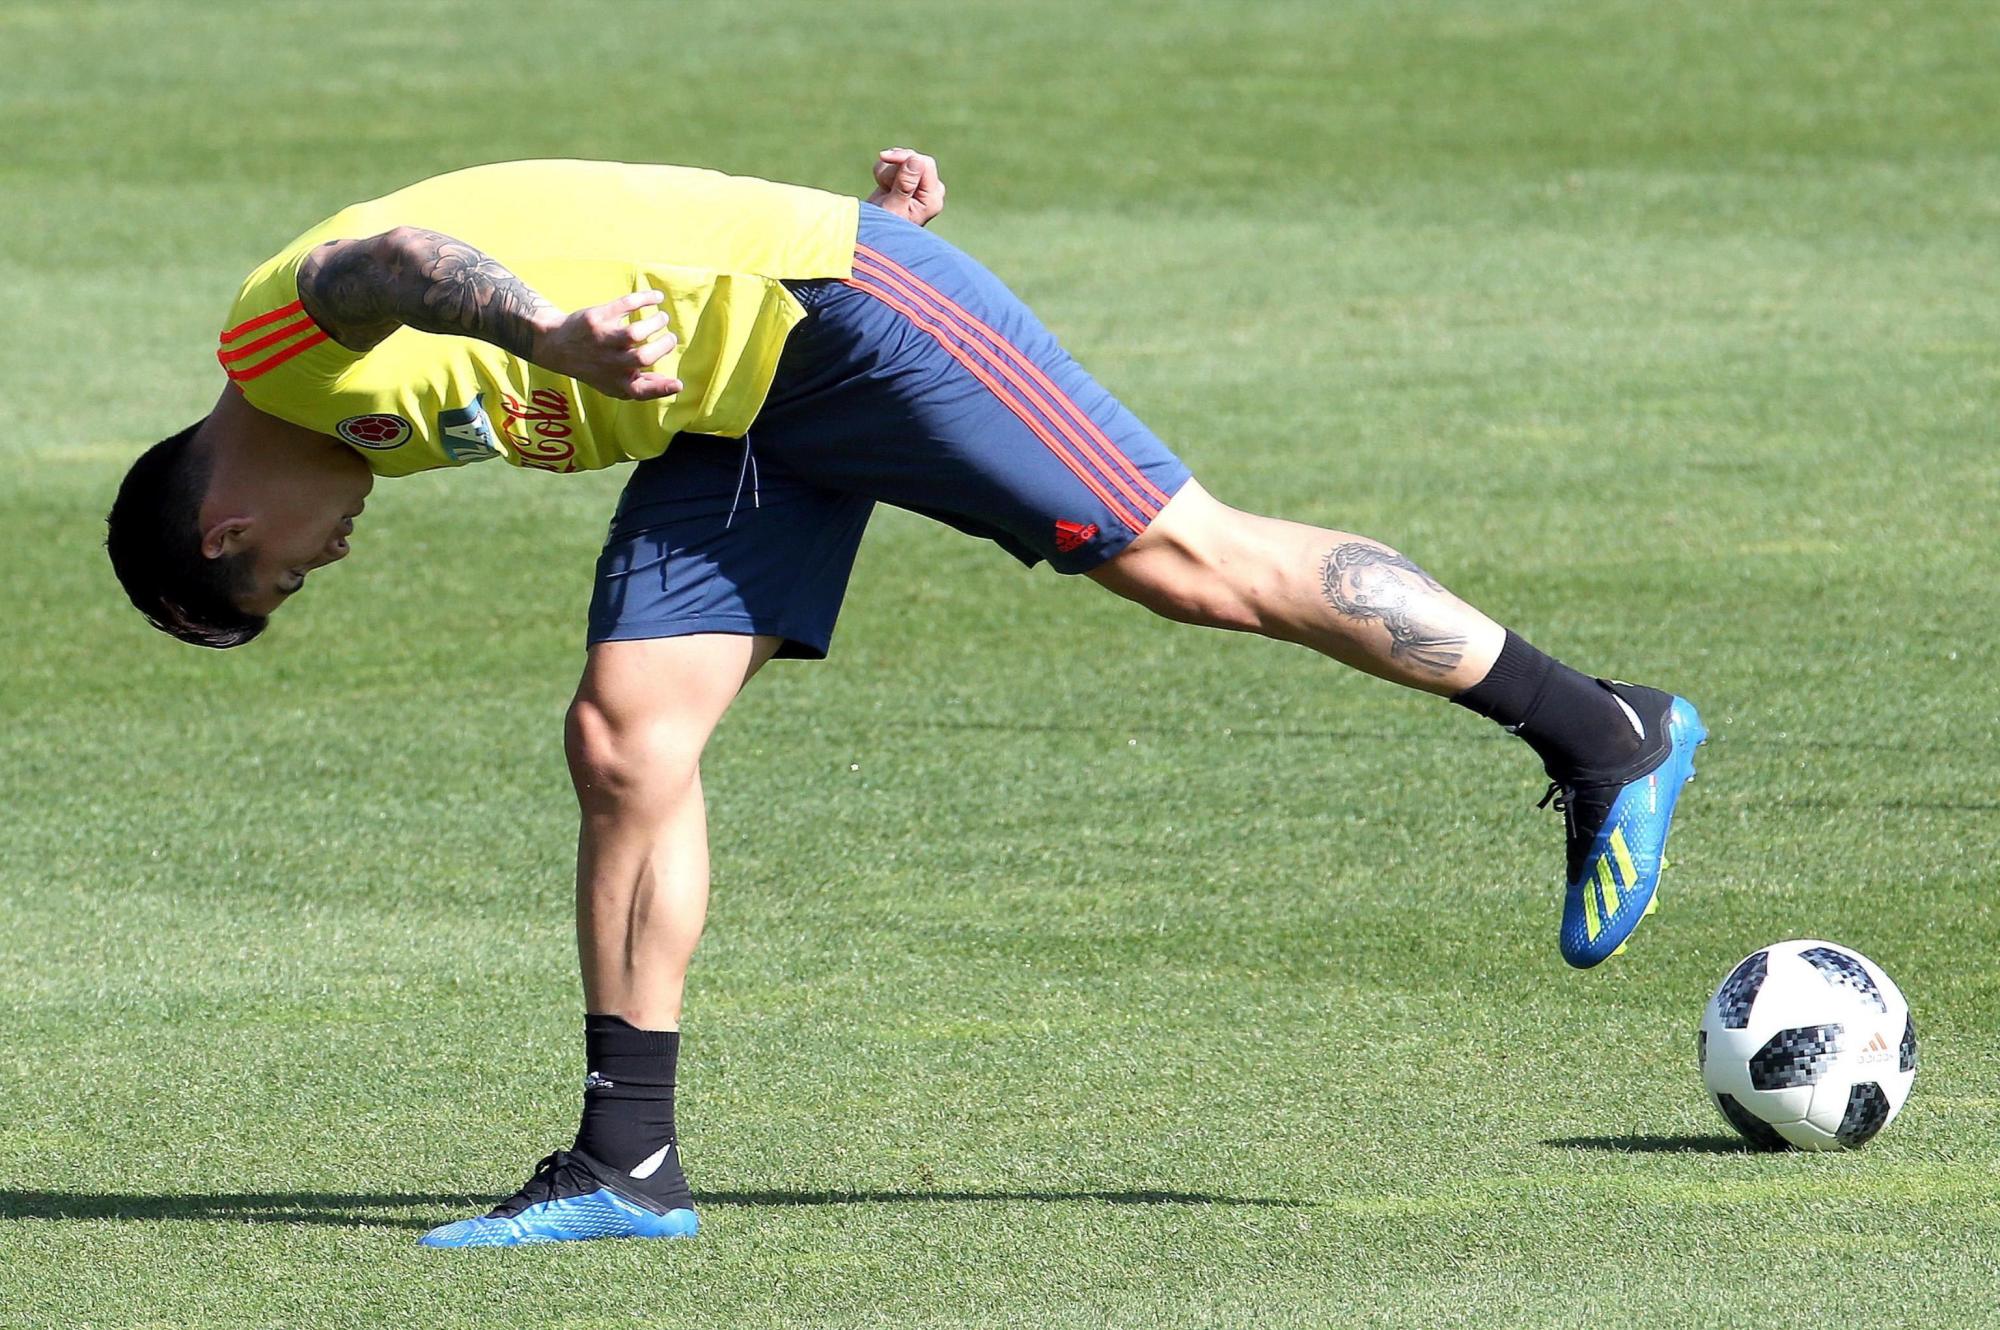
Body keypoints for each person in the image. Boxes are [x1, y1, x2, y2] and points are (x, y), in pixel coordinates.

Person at [106, 148, 1704, 1247]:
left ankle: (1599, 726)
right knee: (623, 737)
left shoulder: (280, 343)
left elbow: (390, 256)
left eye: (288, 577)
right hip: (734, 415)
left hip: (845, 317)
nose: (331, 558)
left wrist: (545, 328)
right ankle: (627, 1161)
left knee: (1190, 562)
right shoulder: (360, 439)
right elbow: (604, 213)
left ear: (226, 530)